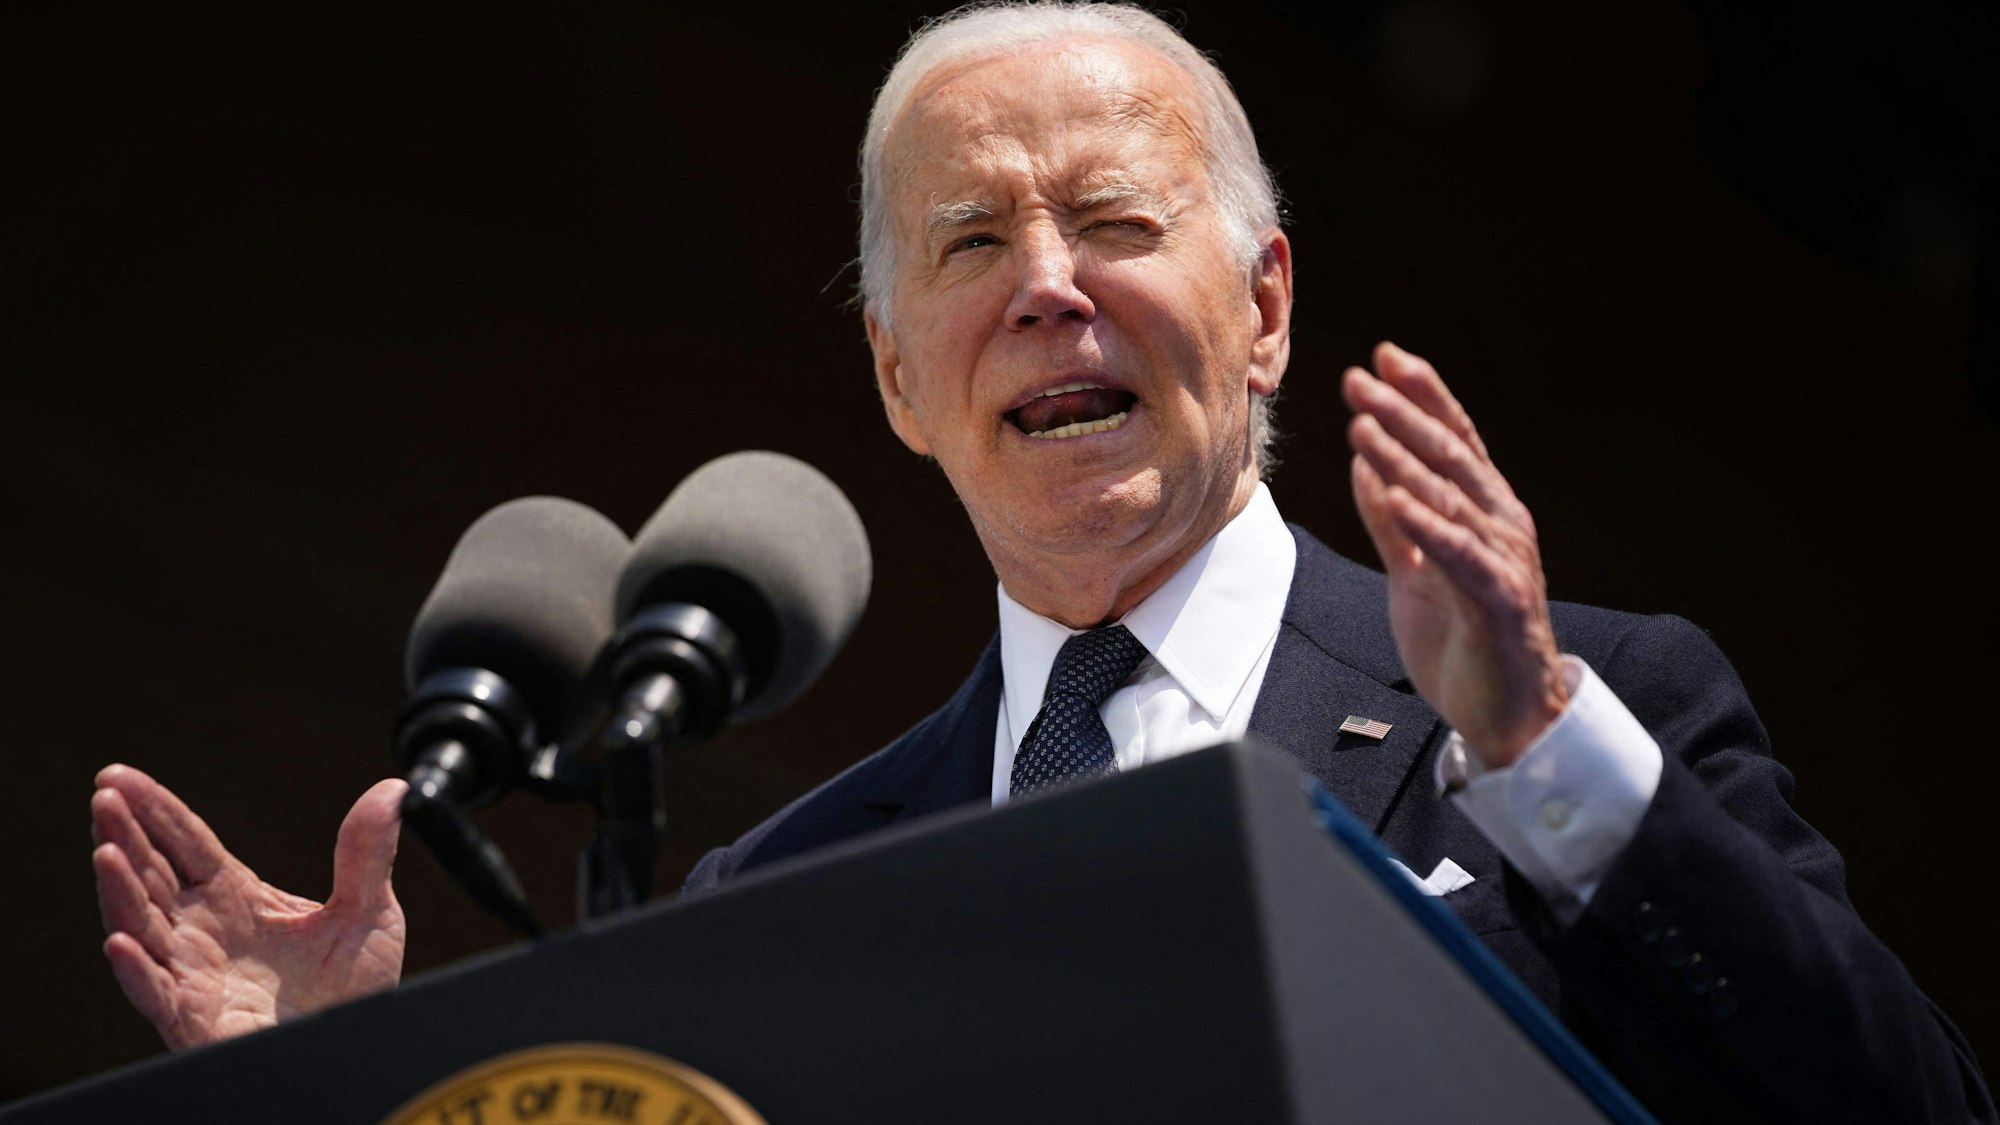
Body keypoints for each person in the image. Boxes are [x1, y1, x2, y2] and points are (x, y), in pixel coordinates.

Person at [90, 3, 1991, 1120]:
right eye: (973, 246)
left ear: (1263, 307)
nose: (1049, 287)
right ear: (899, 373)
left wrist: (1543, 745)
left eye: (1109, 217)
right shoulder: (792, 881)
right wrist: (349, 1095)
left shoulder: (1592, 705)